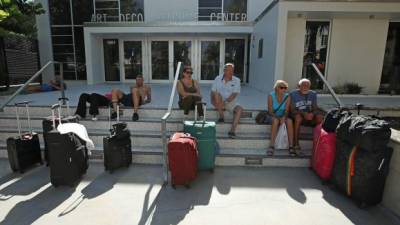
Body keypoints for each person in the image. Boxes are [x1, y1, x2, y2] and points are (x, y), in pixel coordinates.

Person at [290, 78, 324, 155]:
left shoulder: (313, 94)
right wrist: (303, 113)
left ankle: (319, 142)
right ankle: (296, 143)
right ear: (299, 86)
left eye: (308, 86)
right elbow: (292, 110)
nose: (306, 87)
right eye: (304, 85)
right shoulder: (293, 94)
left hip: (308, 116)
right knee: (298, 118)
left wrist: (312, 114)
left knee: (319, 117)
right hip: (297, 115)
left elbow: (315, 108)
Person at [211, 63, 243, 139]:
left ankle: (232, 130)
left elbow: (234, 94)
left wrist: (225, 102)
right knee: (217, 95)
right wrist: (217, 102)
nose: (230, 72)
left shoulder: (237, 80)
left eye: (232, 70)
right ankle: (221, 116)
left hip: (229, 101)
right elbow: (213, 92)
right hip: (217, 100)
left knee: (240, 109)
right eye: (228, 70)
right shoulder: (217, 78)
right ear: (224, 71)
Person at [267, 80, 295, 156]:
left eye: (285, 88)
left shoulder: (287, 96)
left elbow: (286, 110)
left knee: (289, 121)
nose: (284, 89)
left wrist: (283, 117)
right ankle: (271, 146)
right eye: (281, 87)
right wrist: (278, 118)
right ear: (276, 88)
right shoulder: (271, 95)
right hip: (273, 115)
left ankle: (291, 146)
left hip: (282, 116)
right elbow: (270, 111)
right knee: (275, 121)